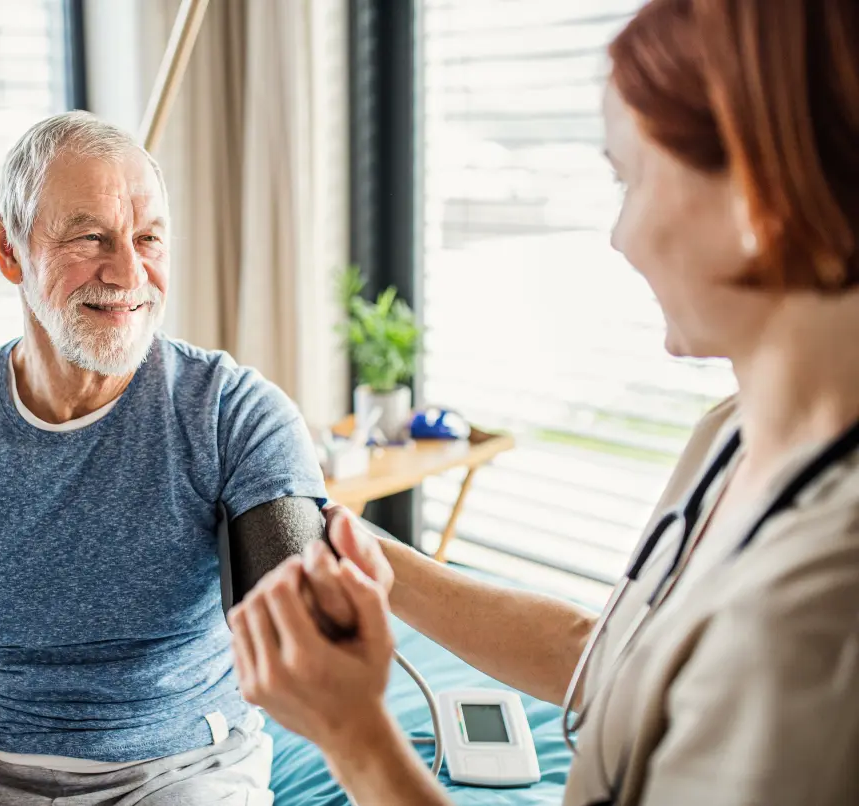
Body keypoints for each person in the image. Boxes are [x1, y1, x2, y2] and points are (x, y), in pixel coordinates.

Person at [230, 1, 859, 804]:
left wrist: (354, 735)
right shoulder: (732, 434)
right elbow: (604, 657)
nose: (618, 237)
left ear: (759, 198)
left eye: (630, 179)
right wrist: (378, 563)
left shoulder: (815, 623)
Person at [0, 112, 344, 806]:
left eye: (149, 238)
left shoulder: (235, 414)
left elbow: (305, 617)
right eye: (91, 237)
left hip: (184, 775)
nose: (128, 272)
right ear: (8, 249)